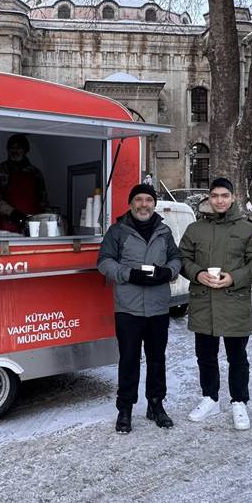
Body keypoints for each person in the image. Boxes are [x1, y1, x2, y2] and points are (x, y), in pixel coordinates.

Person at [178, 178, 252, 430]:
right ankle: (210, 398)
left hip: (234, 302)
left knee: (237, 357)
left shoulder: (247, 229)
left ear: (233, 197)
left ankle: (239, 401)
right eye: (215, 195)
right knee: (205, 356)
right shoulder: (196, 229)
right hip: (203, 302)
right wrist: (197, 273)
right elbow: (183, 257)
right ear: (209, 198)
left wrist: (234, 278)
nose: (219, 200)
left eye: (224, 195)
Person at [97, 184, 181, 434]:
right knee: (129, 360)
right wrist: (128, 274)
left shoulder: (164, 231)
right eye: (139, 200)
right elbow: (103, 262)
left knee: (157, 359)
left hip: (157, 307)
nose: (144, 205)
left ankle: (156, 404)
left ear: (154, 204)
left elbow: (176, 258)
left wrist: (168, 272)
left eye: (148, 200)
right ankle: (125, 409)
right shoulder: (117, 231)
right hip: (128, 308)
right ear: (131, 203)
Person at [0, 134, 48, 232]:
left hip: (32, 227)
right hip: (5, 227)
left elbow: (43, 201)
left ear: (25, 150)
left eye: (19, 147)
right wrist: (13, 213)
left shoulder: (36, 173)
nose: (15, 151)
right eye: (12, 147)